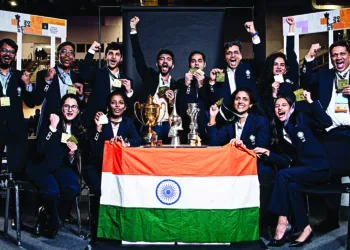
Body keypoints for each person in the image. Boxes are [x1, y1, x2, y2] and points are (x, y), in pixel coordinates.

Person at [254, 92, 332, 247]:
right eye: (277, 106)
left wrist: (311, 101)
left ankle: (282, 222)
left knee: (282, 175)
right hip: (304, 171)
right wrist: (269, 153)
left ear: (291, 107)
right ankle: (305, 228)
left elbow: (326, 121)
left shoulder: (302, 118)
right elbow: (286, 160)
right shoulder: (280, 131)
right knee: (292, 187)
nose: (279, 108)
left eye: (283, 105)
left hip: (319, 168)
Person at [207, 87, 274, 232]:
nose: (240, 102)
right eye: (237, 99)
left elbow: (261, 149)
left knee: (265, 175)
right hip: (234, 167)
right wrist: (213, 117)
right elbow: (213, 144)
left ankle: (257, 226)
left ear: (250, 104)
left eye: (245, 99)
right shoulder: (230, 124)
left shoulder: (260, 121)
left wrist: (243, 148)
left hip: (255, 165)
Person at [300, 40, 350, 233]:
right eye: (334, 55)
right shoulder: (324, 75)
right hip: (333, 133)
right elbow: (305, 81)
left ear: (348, 55)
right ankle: (331, 219)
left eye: (342, 54)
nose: (338, 58)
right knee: (330, 177)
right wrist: (309, 58)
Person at [84, 90, 141, 243]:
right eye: (113, 102)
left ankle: (119, 226)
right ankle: (98, 229)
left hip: (118, 169)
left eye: (121, 103)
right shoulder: (100, 121)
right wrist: (98, 130)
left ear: (125, 107)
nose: (117, 106)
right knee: (101, 191)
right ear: (108, 106)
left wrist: (126, 144)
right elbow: (91, 149)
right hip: (97, 167)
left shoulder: (128, 122)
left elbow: (137, 140)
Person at [27, 94, 83, 238]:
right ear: (61, 108)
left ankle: (51, 217)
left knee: (72, 187)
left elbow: (74, 159)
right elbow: (40, 149)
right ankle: (52, 223)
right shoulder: (51, 121)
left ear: (78, 110)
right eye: (66, 106)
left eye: (74, 107)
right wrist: (52, 128)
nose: (70, 110)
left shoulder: (78, 129)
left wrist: (72, 155)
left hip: (60, 167)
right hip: (41, 167)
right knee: (52, 191)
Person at [130, 16, 176, 144]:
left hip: (169, 126)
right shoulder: (150, 77)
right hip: (152, 125)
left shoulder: (176, 84)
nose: (165, 61)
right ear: (157, 64)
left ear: (172, 65)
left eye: (168, 59)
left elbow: (182, 109)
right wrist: (133, 30)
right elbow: (138, 58)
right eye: (162, 59)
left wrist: (172, 102)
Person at [208, 21, 264, 118]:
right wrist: (212, 82)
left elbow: (259, 58)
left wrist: (253, 33)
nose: (232, 55)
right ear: (225, 57)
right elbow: (217, 98)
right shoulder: (221, 74)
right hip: (228, 118)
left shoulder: (249, 69)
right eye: (229, 53)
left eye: (235, 52)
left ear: (241, 56)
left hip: (250, 116)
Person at [80, 41, 135, 129]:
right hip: (96, 121)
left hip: (117, 124)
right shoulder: (97, 73)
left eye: (117, 54)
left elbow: (131, 110)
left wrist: (129, 92)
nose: (113, 57)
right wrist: (91, 51)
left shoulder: (127, 81)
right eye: (110, 53)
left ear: (121, 59)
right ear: (105, 57)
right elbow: (83, 73)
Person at [33, 41, 85, 135]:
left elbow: (80, 105)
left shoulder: (77, 77)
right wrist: (48, 80)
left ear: (73, 57)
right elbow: (37, 100)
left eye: (71, 53)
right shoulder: (44, 74)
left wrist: (81, 96)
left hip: (70, 124)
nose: (67, 55)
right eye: (63, 51)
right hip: (50, 121)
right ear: (57, 56)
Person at [0, 38, 35, 173]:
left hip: (16, 129)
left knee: (17, 169)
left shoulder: (20, 76)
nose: (7, 54)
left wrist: (27, 84)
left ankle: (14, 193)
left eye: (11, 52)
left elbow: (31, 103)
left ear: (15, 56)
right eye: (4, 50)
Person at [259, 16, 299, 120]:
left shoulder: (291, 78)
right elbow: (266, 110)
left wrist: (291, 27)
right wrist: (273, 93)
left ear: (286, 68)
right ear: (271, 67)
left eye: (282, 65)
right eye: (275, 64)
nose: (279, 67)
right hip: (272, 124)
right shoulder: (265, 84)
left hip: (292, 122)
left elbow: (290, 52)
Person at [175, 51, 211, 144]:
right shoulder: (180, 82)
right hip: (185, 127)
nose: (196, 64)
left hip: (205, 128)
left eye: (200, 61)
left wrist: (201, 86)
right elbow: (178, 107)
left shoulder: (210, 82)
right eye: (193, 61)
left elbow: (212, 103)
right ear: (189, 64)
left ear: (204, 64)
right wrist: (185, 85)